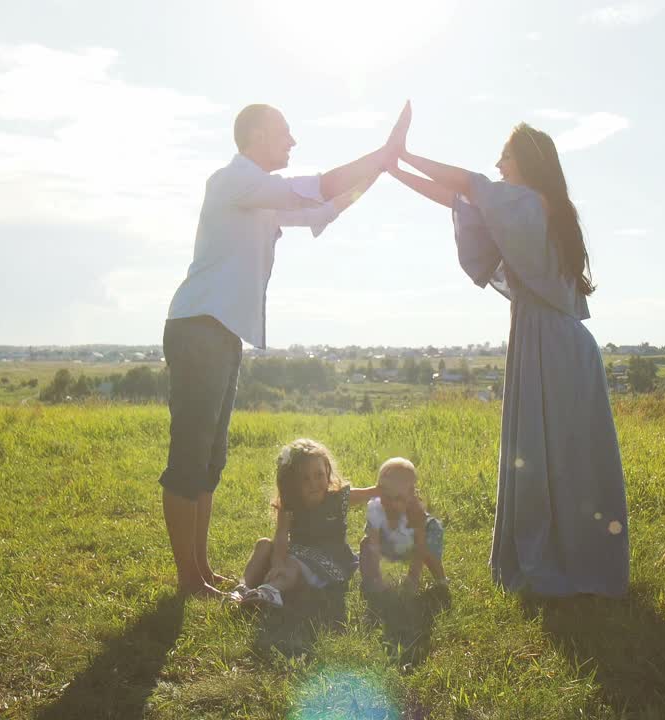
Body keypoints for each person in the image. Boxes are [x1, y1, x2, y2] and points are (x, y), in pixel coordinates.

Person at [160, 103, 407, 598]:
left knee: (210, 460)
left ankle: (201, 572)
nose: (292, 142)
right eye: (284, 133)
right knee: (190, 457)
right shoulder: (235, 180)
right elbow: (320, 185)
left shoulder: (262, 196)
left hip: (221, 332)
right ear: (256, 135)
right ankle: (189, 580)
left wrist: (379, 171)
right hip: (198, 328)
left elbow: (326, 205)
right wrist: (381, 153)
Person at [386, 104, 629, 597]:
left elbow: (468, 184)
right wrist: (394, 170)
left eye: (506, 157)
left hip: (552, 344)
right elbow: (458, 197)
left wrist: (404, 153)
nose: (499, 165)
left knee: (555, 456)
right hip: (552, 341)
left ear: (527, 161)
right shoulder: (532, 206)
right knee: (558, 455)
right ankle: (571, 554)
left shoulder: (530, 203)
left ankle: (567, 560)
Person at [232, 439, 379, 608]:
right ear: (293, 482)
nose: (313, 484)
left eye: (319, 475)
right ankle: (242, 589)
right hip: (297, 553)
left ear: (327, 471)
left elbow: (369, 493)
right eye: (305, 479)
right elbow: (281, 535)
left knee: (292, 565)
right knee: (263, 544)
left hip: (329, 560)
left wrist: (389, 488)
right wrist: (278, 563)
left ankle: (271, 591)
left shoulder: (337, 498)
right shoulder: (290, 504)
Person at [359, 457, 447, 594]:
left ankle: (441, 580)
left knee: (429, 553)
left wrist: (413, 577)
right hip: (390, 541)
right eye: (385, 495)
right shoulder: (376, 507)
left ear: (410, 495)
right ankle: (371, 580)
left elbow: (420, 546)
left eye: (397, 498)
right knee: (366, 544)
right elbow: (374, 540)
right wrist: (375, 571)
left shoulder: (415, 512)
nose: (390, 503)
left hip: (416, 542)